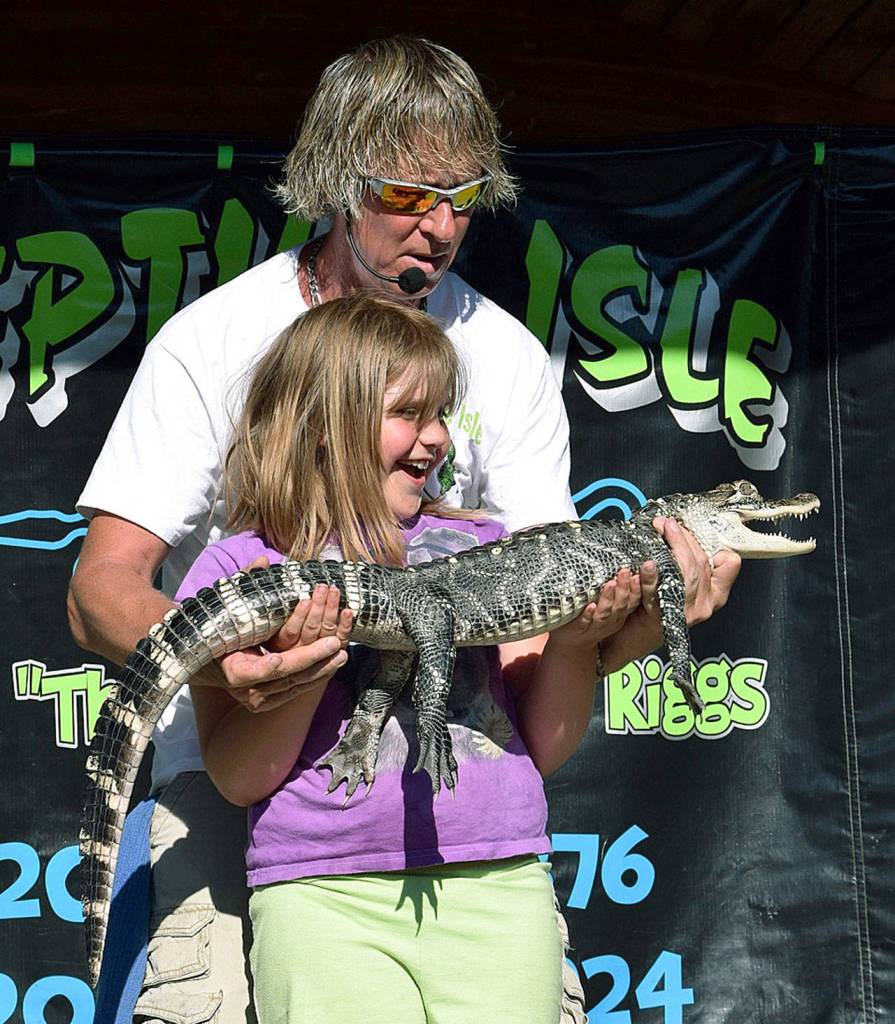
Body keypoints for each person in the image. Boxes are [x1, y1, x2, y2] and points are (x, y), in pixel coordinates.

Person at [68, 36, 740, 1024]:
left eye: (460, 200)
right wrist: (228, 669)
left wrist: (630, 622)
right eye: (405, 196)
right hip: (239, 781)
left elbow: (536, 640)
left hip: (456, 814)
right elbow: (101, 586)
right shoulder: (213, 339)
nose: (436, 228)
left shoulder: (506, 361)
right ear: (337, 183)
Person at [183, 293, 635, 1023]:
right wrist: (307, 666)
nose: (435, 440)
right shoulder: (239, 567)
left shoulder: (490, 546)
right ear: (323, 423)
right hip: (321, 895)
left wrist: (581, 640)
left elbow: (544, 744)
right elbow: (241, 777)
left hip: (497, 882)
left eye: (441, 416)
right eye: (409, 415)